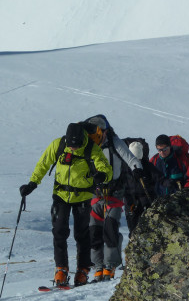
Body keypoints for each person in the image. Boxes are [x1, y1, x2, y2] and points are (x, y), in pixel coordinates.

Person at [19, 123, 113, 286]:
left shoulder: (92, 148)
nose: (74, 149)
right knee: (59, 231)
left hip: (83, 196)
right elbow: (43, 163)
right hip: (60, 195)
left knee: (82, 235)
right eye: (71, 146)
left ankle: (82, 271)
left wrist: (102, 175)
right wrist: (32, 183)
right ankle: (61, 269)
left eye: (76, 146)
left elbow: (106, 169)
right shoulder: (58, 144)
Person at [84, 115, 144, 282]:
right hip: (96, 193)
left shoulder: (115, 143)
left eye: (97, 133)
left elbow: (130, 159)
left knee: (110, 227)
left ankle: (109, 266)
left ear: (105, 131)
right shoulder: (89, 146)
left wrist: (137, 169)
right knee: (94, 229)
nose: (95, 138)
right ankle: (98, 266)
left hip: (115, 192)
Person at [124, 141, 161, 238]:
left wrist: (168, 182)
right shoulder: (125, 169)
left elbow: (159, 177)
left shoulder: (147, 166)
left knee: (149, 228)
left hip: (147, 201)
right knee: (133, 229)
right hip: (132, 202)